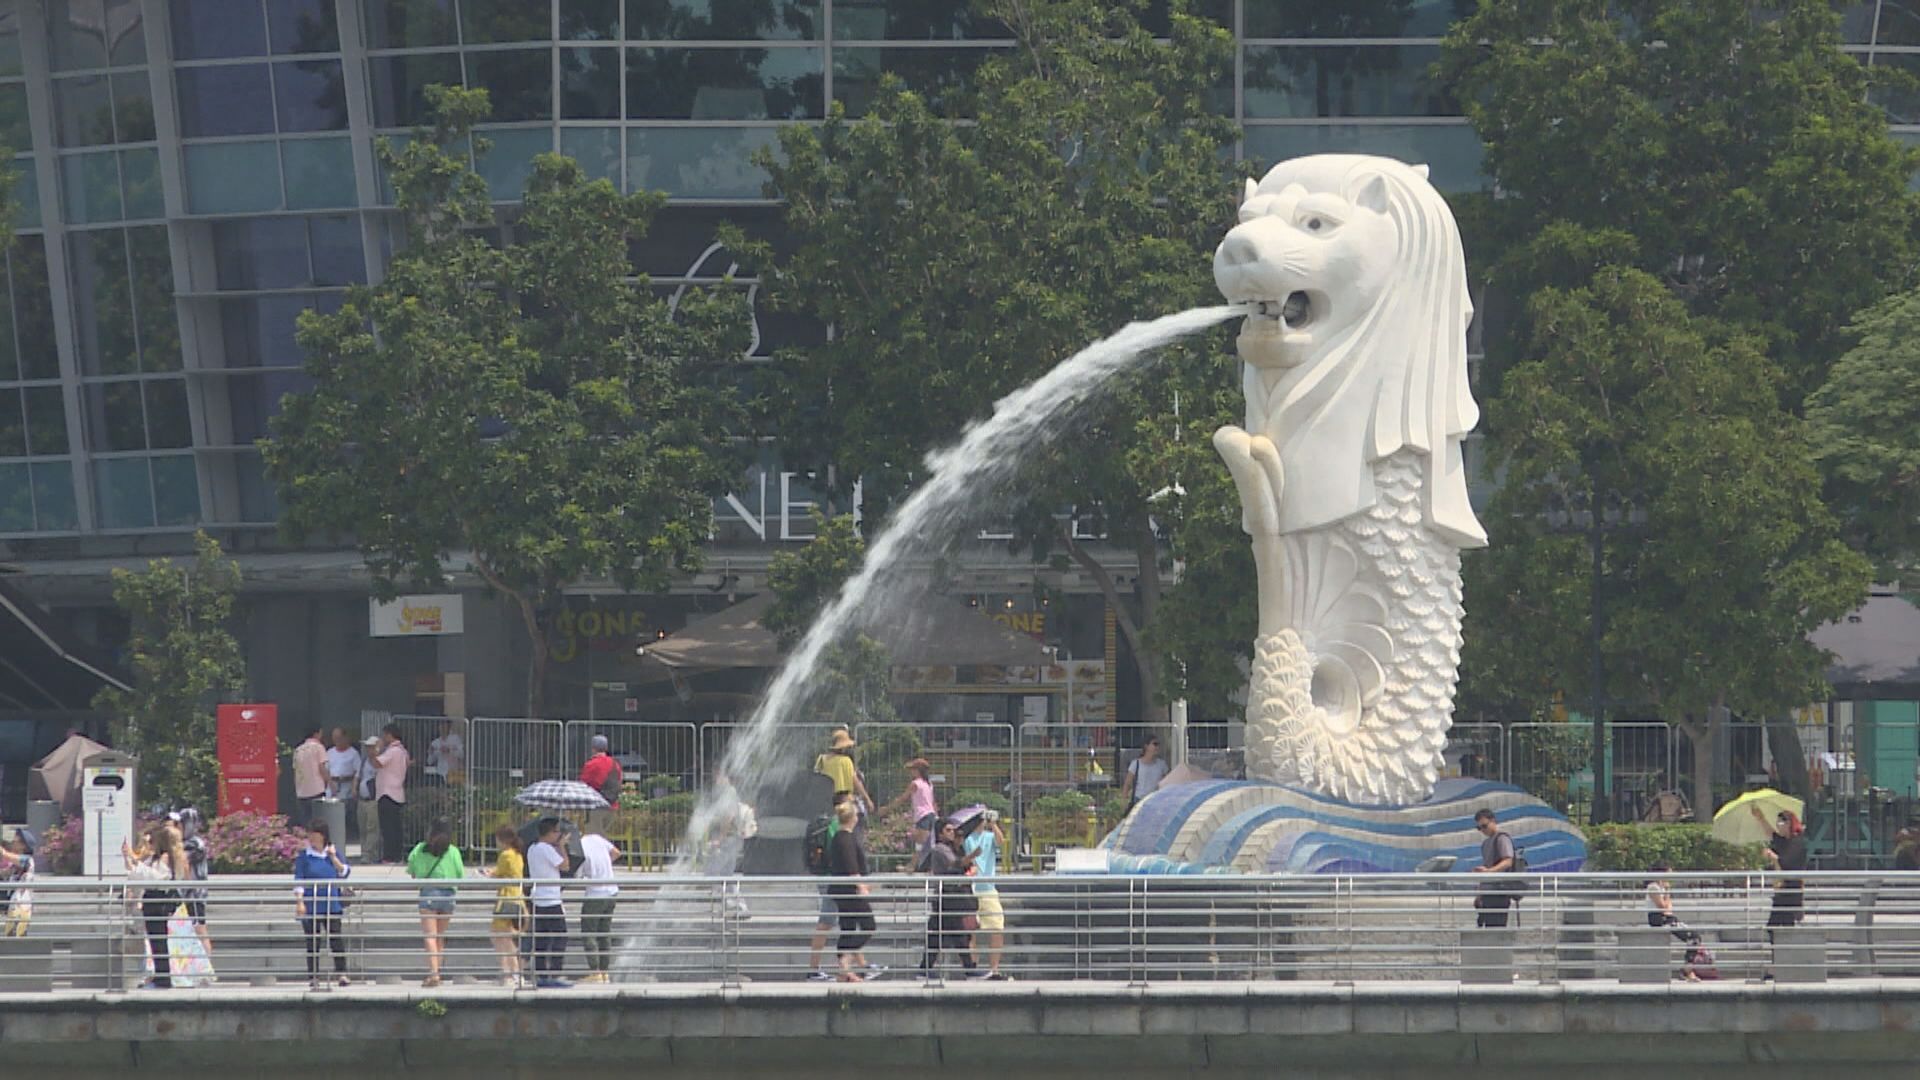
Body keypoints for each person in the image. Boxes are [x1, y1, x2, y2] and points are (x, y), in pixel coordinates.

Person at [123, 823, 188, 989]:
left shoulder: (165, 858)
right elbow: (139, 874)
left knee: (159, 939)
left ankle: (163, 976)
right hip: (153, 899)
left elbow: (155, 877)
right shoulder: (161, 858)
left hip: (157, 899)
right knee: (155, 940)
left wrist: (134, 862)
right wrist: (129, 859)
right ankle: (160, 974)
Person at [405, 819, 464, 988]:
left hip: (429, 892)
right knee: (440, 936)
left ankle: (433, 974)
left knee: (430, 936)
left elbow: (413, 872)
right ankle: (437, 970)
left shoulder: (422, 849)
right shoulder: (453, 851)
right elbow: (460, 873)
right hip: (449, 894)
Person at [292, 822, 351, 989]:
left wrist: (333, 857)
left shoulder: (332, 853)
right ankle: (313, 976)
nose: (312, 838)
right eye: (310, 835)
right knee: (312, 941)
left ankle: (342, 973)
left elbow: (344, 872)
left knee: (335, 938)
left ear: (323, 836)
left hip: (331, 904)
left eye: (315, 835)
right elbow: (299, 879)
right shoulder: (304, 856)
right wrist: (300, 901)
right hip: (311, 904)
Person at [918, 818, 979, 979]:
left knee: (948, 935)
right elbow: (955, 864)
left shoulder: (953, 848)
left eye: (953, 830)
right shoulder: (939, 849)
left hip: (951, 899)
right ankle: (968, 970)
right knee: (950, 935)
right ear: (940, 833)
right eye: (948, 830)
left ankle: (925, 969)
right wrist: (972, 855)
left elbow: (963, 865)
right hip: (945, 898)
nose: (952, 833)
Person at [828, 800, 876, 982]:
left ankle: (845, 972)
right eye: (856, 815)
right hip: (850, 891)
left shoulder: (839, 837)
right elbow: (851, 866)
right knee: (868, 926)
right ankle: (845, 962)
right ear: (852, 818)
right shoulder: (845, 838)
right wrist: (861, 885)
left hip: (842, 890)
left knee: (847, 928)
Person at [961, 809, 1012, 980]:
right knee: (971, 931)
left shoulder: (989, 836)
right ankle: (973, 968)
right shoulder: (968, 839)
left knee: (997, 927)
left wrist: (994, 824)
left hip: (988, 889)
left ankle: (994, 969)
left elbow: (1001, 841)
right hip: (973, 888)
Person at [527, 817, 572, 988]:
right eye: (556, 831)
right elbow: (565, 866)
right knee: (560, 936)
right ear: (549, 832)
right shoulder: (547, 849)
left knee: (541, 939)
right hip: (551, 900)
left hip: (538, 898)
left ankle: (540, 974)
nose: (559, 834)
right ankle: (554, 972)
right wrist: (561, 846)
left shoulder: (532, 848)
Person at [485, 825, 529, 988]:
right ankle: (511, 972)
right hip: (517, 897)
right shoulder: (518, 855)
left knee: (500, 936)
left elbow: (499, 874)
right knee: (506, 936)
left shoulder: (505, 855)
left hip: (506, 898)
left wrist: (489, 874)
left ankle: (510, 973)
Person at [1755, 805, 1809, 933]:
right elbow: (1771, 834)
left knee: (1779, 926)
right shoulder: (1786, 841)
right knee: (1781, 925)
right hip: (1783, 891)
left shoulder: (1797, 842)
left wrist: (1772, 856)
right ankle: (1783, 950)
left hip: (1791, 890)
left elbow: (1787, 863)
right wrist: (1760, 818)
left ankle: (1783, 950)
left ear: (1789, 823)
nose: (1778, 825)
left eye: (1781, 822)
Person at [814, 728, 874, 836]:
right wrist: (867, 799)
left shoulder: (821, 760)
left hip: (825, 802)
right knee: (849, 830)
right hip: (844, 800)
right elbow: (855, 782)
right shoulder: (846, 761)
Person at [578, 831, 620, 983]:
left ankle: (595, 972)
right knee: (604, 933)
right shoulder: (596, 838)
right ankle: (604, 972)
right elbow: (616, 852)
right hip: (612, 891)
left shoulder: (579, 848)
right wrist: (604, 866)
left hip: (595, 894)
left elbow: (577, 875)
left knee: (589, 932)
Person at [174, 808, 214, 965]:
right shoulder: (182, 843)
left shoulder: (195, 844)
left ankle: (206, 967)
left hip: (194, 896)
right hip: (182, 895)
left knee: (199, 930)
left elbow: (183, 861)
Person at [1470, 808, 1519, 928]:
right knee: (1487, 929)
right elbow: (1487, 866)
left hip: (1499, 893)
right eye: (1479, 828)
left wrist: (1489, 872)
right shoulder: (1486, 844)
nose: (1482, 830)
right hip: (1487, 893)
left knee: (1496, 929)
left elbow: (1508, 861)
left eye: (1484, 826)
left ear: (1493, 821)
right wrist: (1479, 894)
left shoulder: (1502, 838)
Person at [368, 724, 411, 863]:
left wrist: (373, 751)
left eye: (384, 735)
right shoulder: (403, 751)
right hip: (397, 792)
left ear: (390, 735)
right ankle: (397, 855)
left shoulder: (392, 751)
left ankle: (389, 856)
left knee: (388, 828)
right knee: (395, 826)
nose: (383, 738)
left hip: (387, 793)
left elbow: (377, 763)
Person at [883, 758, 939, 861]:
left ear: (918, 770)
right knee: (926, 843)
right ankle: (916, 865)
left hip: (922, 815)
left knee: (920, 844)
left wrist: (887, 808)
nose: (911, 772)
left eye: (912, 769)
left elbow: (903, 798)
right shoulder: (928, 784)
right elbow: (932, 801)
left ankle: (913, 866)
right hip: (930, 814)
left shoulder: (915, 783)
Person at [580, 735, 623, 833]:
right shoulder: (615, 764)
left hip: (596, 806)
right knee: (602, 837)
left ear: (593, 748)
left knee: (594, 838)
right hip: (612, 806)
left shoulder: (591, 764)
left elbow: (583, 785)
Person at [0, 827, 36, 938]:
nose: (13, 843)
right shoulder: (14, 866)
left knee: (17, 940)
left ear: (23, 845)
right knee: (9, 936)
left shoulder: (28, 860)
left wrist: (3, 852)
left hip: (22, 908)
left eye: (15, 841)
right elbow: (3, 874)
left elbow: (5, 854)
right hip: (13, 907)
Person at [1120, 736, 1170, 811]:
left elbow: (1168, 781)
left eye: (1158, 745)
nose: (1157, 747)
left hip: (1156, 800)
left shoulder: (1162, 764)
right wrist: (1124, 800)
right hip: (1139, 800)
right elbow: (1127, 783)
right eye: (1155, 744)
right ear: (1146, 746)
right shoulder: (1136, 763)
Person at [292, 727, 329, 826]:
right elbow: (321, 767)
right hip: (317, 790)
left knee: (305, 822)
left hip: (302, 791)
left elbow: (296, 770)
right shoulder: (318, 747)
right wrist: (329, 783)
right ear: (317, 734)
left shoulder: (298, 750)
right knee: (318, 822)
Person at [325, 728, 363, 802]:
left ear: (345, 738)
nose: (336, 741)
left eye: (338, 738)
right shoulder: (329, 752)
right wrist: (330, 784)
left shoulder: (354, 753)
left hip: (347, 785)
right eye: (334, 738)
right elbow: (326, 770)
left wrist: (354, 787)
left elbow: (357, 772)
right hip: (332, 784)